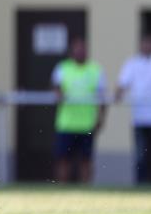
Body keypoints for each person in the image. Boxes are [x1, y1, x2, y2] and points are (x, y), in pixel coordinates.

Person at [52, 36, 106, 184]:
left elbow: (102, 98)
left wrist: (100, 119)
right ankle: (62, 189)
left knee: (86, 160)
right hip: (66, 123)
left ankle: (86, 190)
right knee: (63, 159)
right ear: (72, 51)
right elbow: (55, 88)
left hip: (87, 124)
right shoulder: (63, 68)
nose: (80, 52)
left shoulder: (95, 70)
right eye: (77, 50)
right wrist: (58, 92)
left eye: (82, 50)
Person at [114, 33, 151, 184]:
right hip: (140, 118)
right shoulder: (132, 63)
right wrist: (117, 95)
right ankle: (140, 185)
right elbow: (122, 84)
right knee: (141, 154)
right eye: (146, 43)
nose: (148, 46)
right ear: (141, 45)